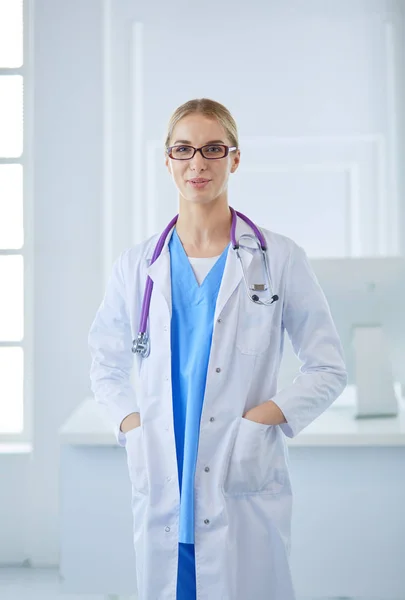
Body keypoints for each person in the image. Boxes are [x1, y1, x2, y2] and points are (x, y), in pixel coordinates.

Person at [88, 98, 347, 600]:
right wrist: (132, 426)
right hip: (164, 471)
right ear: (167, 161)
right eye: (183, 149)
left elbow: (328, 367)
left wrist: (263, 419)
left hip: (239, 474)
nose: (198, 163)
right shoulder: (138, 265)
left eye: (212, 148)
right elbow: (105, 362)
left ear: (235, 158)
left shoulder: (278, 259)